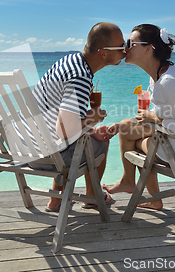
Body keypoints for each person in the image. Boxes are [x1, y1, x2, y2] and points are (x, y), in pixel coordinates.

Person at [103, 24, 175, 210]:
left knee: (136, 144)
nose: (125, 47)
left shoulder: (168, 82)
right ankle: (129, 182)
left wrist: (153, 118)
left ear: (148, 48)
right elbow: (167, 115)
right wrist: (127, 123)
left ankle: (152, 197)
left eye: (131, 43)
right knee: (126, 130)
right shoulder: (161, 75)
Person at [32, 22, 126, 212]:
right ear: (103, 52)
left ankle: (55, 200)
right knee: (103, 140)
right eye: (121, 47)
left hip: (25, 146)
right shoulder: (81, 77)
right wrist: (92, 118)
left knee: (94, 134)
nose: (125, 51)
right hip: (46, 155)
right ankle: (92, 196)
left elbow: (57, 120)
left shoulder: (70, 61)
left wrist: (90, 129)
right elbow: (65, 130)